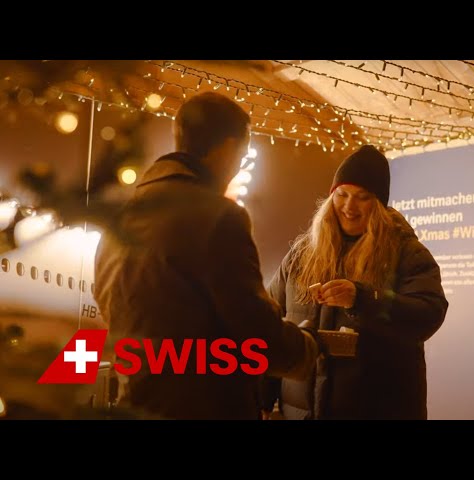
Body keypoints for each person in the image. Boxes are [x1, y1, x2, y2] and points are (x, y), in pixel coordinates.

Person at [94, 92, 318, 420]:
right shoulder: (218, 217)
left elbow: (109, 304)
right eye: (242, 155)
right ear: (227, 148)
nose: (238, 167)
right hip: (203, 406)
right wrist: (306, 346)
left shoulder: (122, 214)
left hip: (138, 403)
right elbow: (254, 327)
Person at [260, 145, 448, 420]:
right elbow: (272, 324)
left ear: (379, 204)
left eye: (363, 197)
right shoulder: (302, 254)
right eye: (342, 195)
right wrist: (263, 397)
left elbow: (429, 314)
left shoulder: (406, 252)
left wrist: (363, 299)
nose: (349, 206)